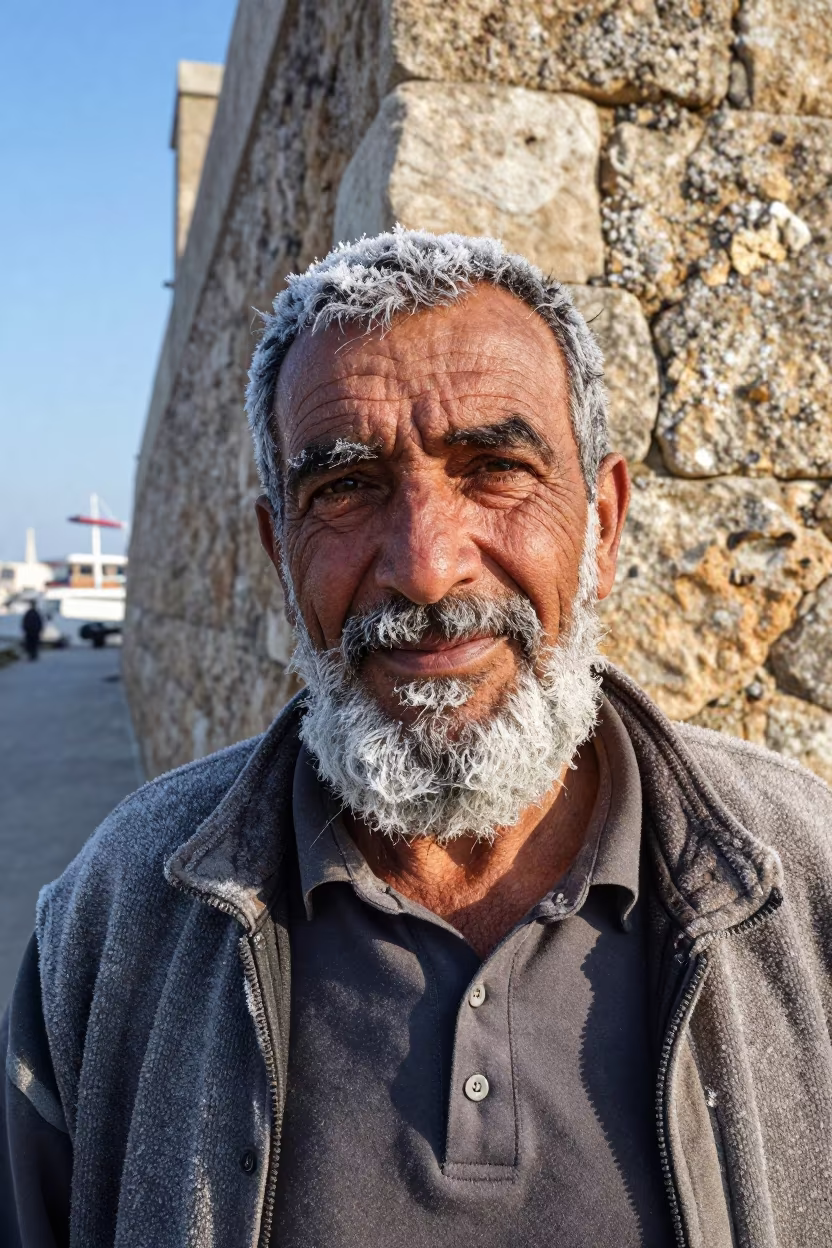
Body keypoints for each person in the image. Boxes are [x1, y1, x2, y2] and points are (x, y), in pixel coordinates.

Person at [2, 229, 831, 1248]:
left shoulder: (805, 888)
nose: (427, 569)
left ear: (602, 529)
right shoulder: (115, 921)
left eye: (495, 468)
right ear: (279, 552)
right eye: (345, 488)